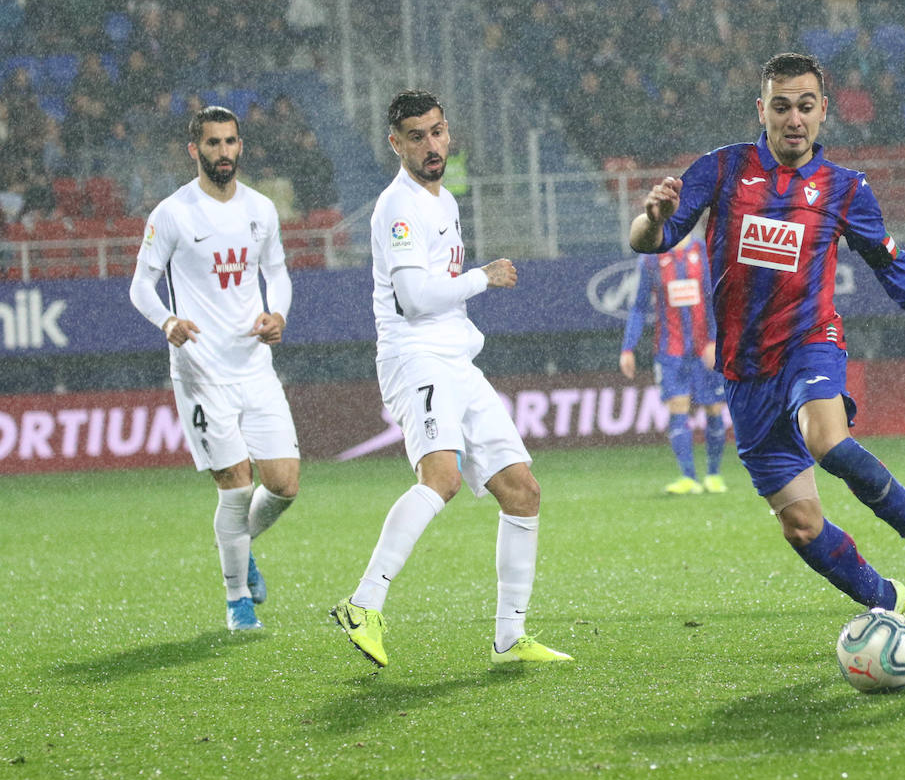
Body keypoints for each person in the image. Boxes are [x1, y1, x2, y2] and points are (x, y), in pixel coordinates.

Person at [628, 52, 905, 616]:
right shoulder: (722, 170)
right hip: (744, 372)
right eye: (781, 106)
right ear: (761, 110)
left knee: (826, 441)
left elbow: (897, 272)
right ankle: (886, 603)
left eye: (805, 107)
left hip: (810, 343)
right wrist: (656, 218)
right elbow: (645, 241)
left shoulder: (843, 189)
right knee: (802, 527)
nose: (793, 119)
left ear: (823, 113)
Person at [330, 90, 570, 669]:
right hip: (417, 358)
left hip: (456, 360)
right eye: (417, 136)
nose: (432, 145)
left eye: (437, 131)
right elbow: (412, 300)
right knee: (442, 479)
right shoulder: (399, 206)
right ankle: (364, 603)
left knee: (522, 491)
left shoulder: (442, 198)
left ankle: (510, 638)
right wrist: (482, 278)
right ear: (397, 144)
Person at [128, 105, 299, 631]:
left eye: (230, 143)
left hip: (254, 364)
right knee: (235, 485)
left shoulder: (262, 209)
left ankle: (239, 546)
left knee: (285, 485)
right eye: (213, 144)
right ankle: (236, 600)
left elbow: (278, 272)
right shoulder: (173, 213)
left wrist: (278, 314)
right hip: (201, 370)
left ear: (240, 146)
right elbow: (140, 286)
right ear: (194, 150)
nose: (223, 153)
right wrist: (167, 322)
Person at [619, 232, 730, 495]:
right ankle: (688, 477)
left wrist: (715, 340)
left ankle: (713, 474)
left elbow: (717, 298)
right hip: (670, 350)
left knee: (714, 408)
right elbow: (638, 307)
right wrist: (627, 348)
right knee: (677, 406)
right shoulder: (651, 258)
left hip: (706, 348)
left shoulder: (705, 253)